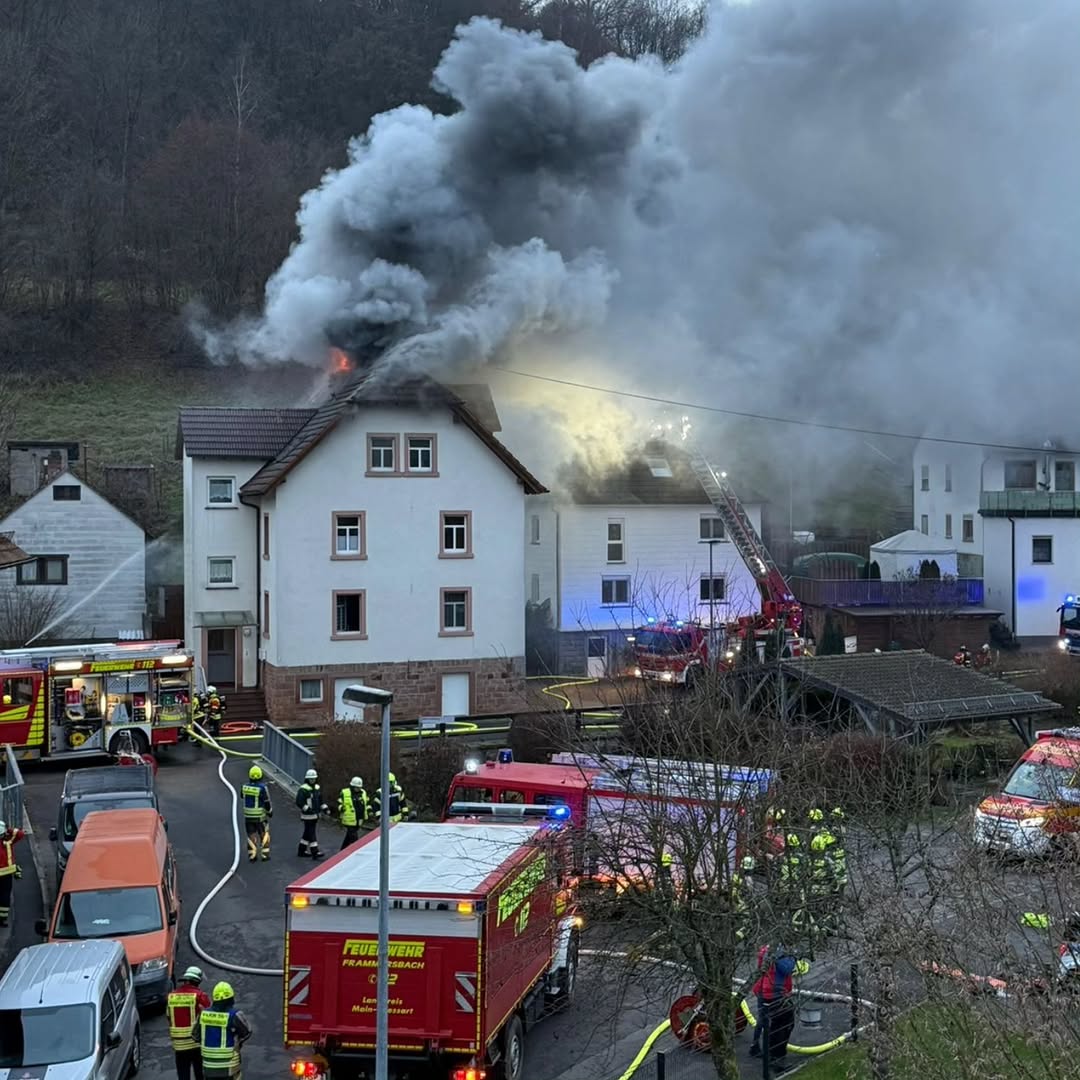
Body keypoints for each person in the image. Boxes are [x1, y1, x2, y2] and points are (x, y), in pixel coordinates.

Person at [749, 945, 797, 1058]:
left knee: (762, 1019)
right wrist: (792, 957)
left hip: (763, 989)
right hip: (773, 992)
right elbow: (787, 968)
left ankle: (755, 1046)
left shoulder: (766, 949)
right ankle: (773, 1053)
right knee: (778, 1023)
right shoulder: (779, 953)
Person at [199, 982, 252, 1080]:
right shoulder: (235, 1015)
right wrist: (237, 1041)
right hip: (229, 1066)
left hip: (208, 1067)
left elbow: (195, 1036)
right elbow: (247, 1032)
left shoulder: (203, 1014)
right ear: (231, 999)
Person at [167, 965, 212, 1080]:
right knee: (199, 1073)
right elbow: (209, 1017)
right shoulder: (200, 996)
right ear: (197, 981)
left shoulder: (171, 996)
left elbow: (169, 1016)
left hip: (179, 1045)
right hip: (196, 1042)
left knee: (183, 1074)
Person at [241, 765, 273, 862]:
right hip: (260, 816)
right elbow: (267, 801)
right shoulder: (262, 788)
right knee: (264, 834)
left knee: (251, 835)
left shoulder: (244, 787)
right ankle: (265, 855)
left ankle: (252, 856)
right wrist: (270, 812)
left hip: (248, 816)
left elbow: (242, 796)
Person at [296, 768, 328, 858]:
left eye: (314, 778)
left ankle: (301, 851)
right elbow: (299, 802)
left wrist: (325, 809)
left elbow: (320, 801)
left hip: (315, 815)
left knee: (307, 833)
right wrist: (307, 809)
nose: (312, 780)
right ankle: (315, 851)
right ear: (307, 779)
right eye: (311, 779)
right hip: (307, 816)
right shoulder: (303, 789)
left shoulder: (317, 788)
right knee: (311, 832)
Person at [0, 819, 24, 927]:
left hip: (6, 873)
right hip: (6, 874)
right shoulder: (7, 842)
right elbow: (20, 834)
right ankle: (2, 919)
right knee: (4, 896)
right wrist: (8, 828)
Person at [338, 776, 370, 850]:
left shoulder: (363, 793)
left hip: (359, 819)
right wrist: (341, 808)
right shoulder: (345, 793)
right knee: (354, 838)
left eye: (359, 787)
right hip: (349, 819)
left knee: (348, 837)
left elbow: (366, 804)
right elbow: (339, 803)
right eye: (356, 787)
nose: (358, 789)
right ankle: (356, 851)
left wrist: (369, 811)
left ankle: (343, 850)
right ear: (352, 786)